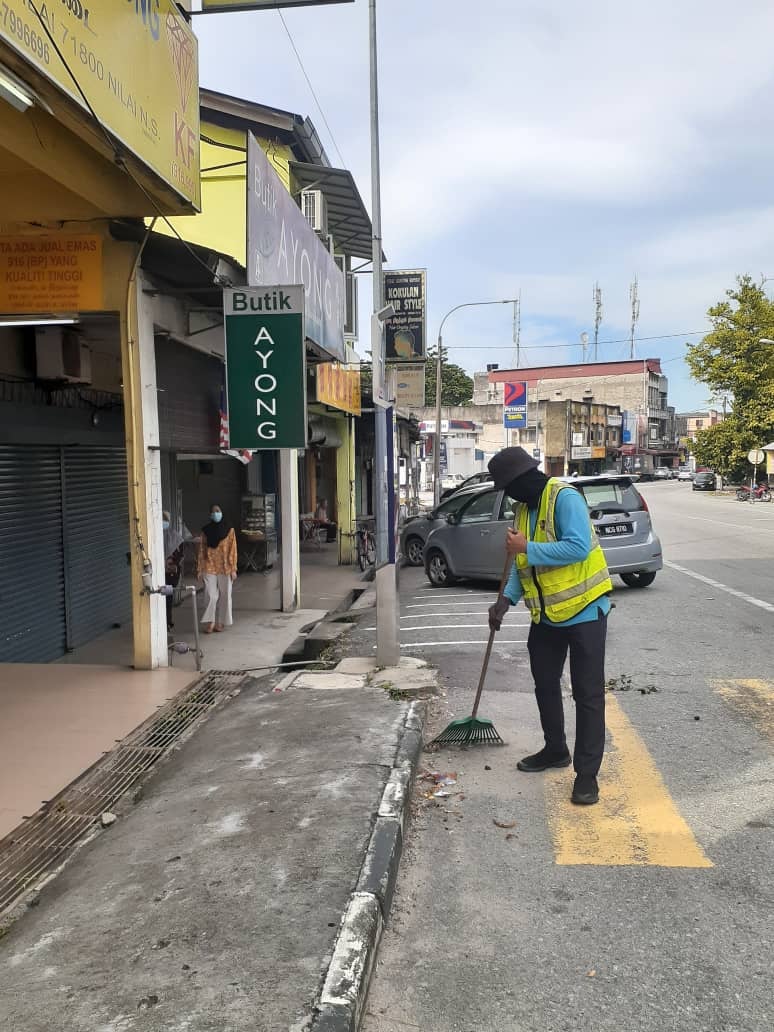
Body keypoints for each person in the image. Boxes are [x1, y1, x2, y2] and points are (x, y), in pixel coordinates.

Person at [486, 447, 613, 806]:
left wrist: (527, 545)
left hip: (586, 610)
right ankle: (555, 749)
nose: (508, 496)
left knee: (587, 694)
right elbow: (523, 565)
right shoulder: (523, 510)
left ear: (523, 481)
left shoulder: (564, 498)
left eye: (508, 488)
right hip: (546, 615)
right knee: (544, 682)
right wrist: (505, 601)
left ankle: (587, 775)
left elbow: (578, 548)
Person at [198, 505, 238, 634]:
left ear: (222, 512)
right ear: (210, 515)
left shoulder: (230, 530)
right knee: (210, 595)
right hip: (209, 565)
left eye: (218, 511)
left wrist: (233, 568)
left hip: (225, 566)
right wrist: (200, 568)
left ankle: (221, 622)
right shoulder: (206, 531)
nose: (216, 514)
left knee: (225, 595)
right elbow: (202, 550)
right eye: (213, 512)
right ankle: (211, 622)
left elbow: (233, 549)